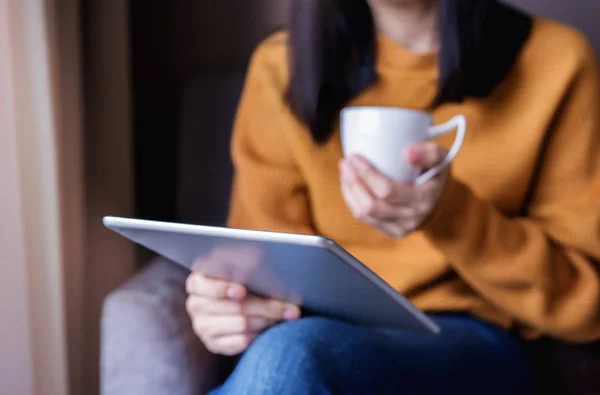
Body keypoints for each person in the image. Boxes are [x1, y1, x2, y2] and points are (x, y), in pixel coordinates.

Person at [185, 0, 600, 393]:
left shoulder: (555, 62)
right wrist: (233, 304)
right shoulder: (281, 65)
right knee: (289, 356)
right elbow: (268, 259)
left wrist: (449, 216)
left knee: (292, 356)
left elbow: (585, 304)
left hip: (471, 338)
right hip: (317, 332)